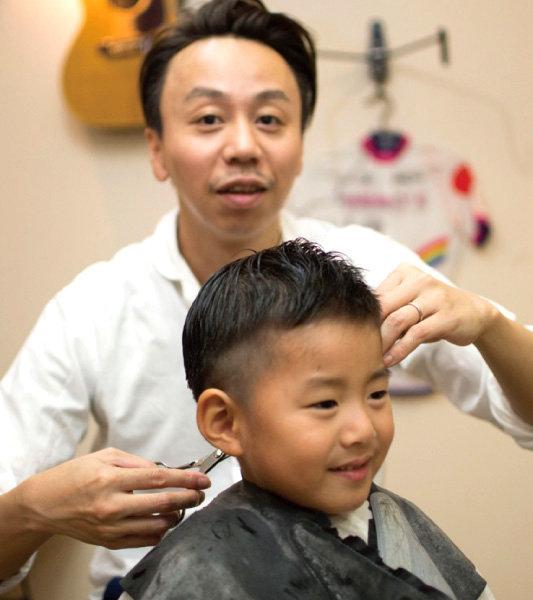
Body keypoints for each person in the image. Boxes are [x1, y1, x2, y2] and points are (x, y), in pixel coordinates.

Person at [0, 0, 532, 598]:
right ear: (156, 148)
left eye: (272, 120)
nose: (244, 146)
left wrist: (488, 324)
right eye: (207, 119)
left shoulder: (367, 271)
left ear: (301, 146)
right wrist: (35, 511)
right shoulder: (93, 309)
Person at [119, 239, 495, 600]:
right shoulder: (195, 569)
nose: (363, 430)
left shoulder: (404, 527)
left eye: (376, 394)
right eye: (325, 403)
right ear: (225, 422)